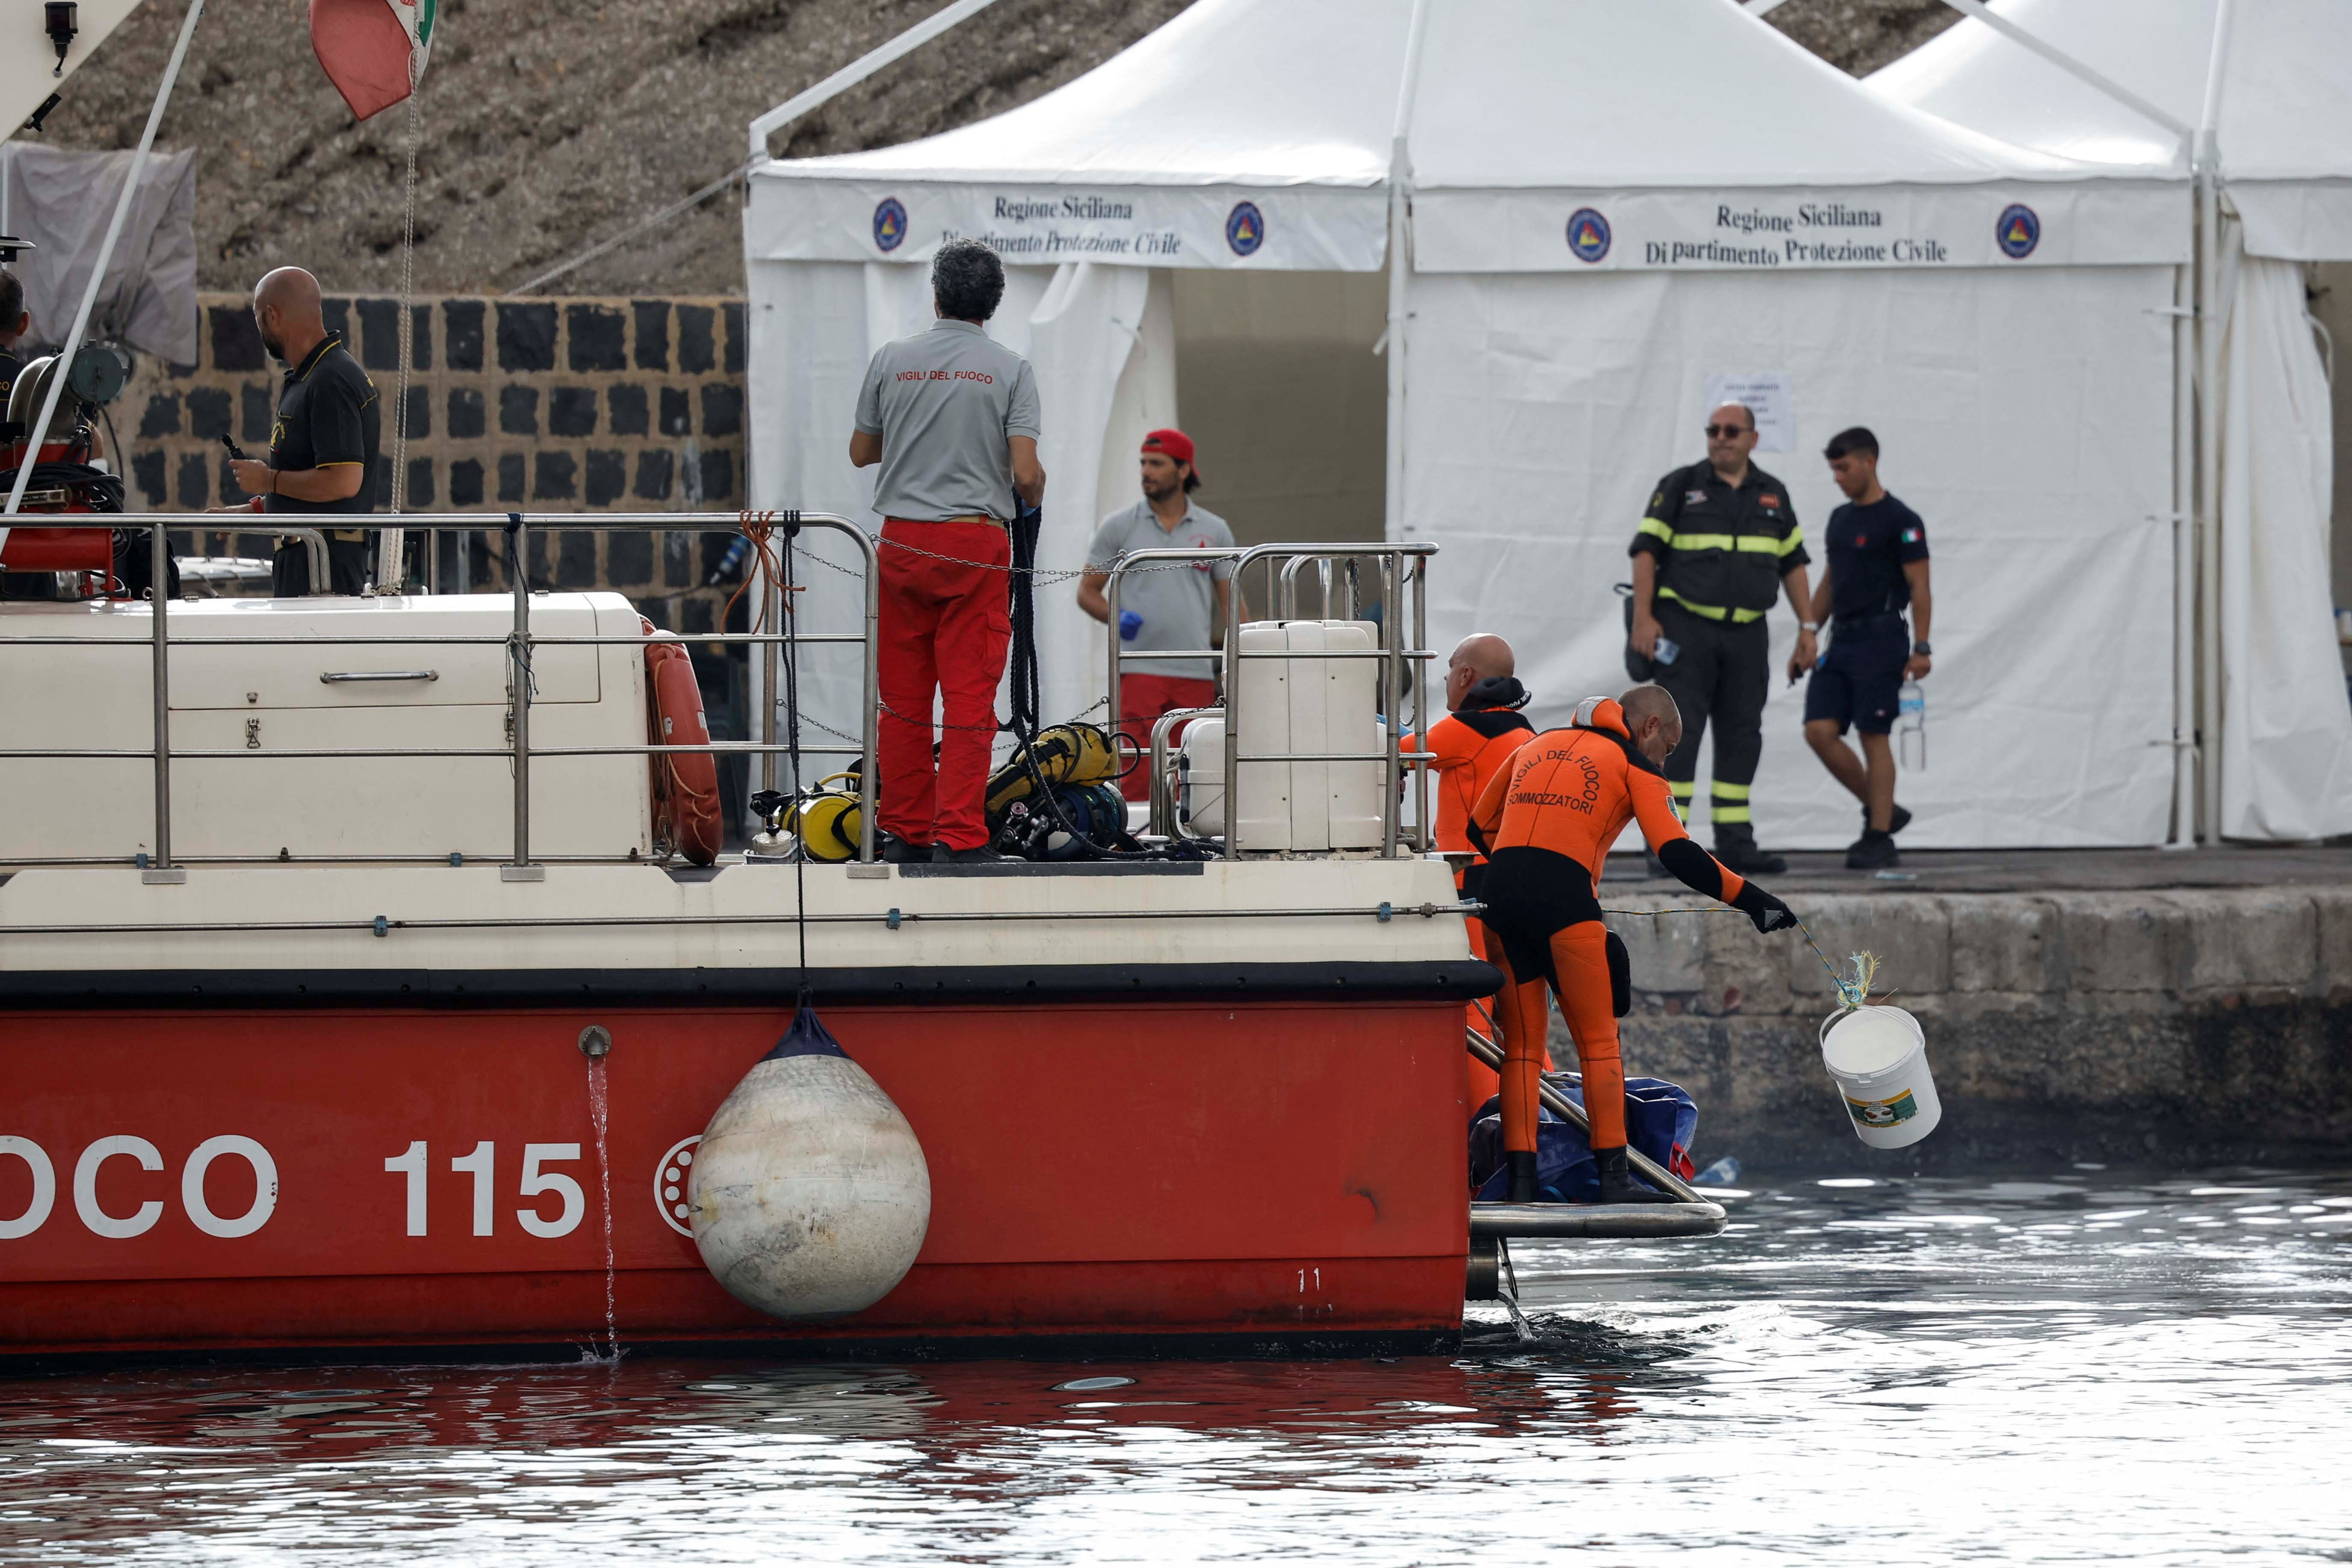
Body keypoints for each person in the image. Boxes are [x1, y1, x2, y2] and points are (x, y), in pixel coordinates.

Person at [1468, 685, 1797, 1205]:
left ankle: (1523, 1179)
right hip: (1564, 904)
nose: (1665, 759)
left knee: (1522, 1048)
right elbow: (1677, 852)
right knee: (1598, 1042)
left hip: (1499, 899)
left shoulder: (1534, 744)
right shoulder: (1634, 766)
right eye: (1667, 748)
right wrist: (1754, 900)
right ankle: (1615, 1177)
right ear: (1649, 728)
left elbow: (1479, 824)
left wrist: (1526, 869)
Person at [850, 238, 1044, 864]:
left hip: (901, 540)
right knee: (968, 697)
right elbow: (1025, 474)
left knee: (903, 698)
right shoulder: (1011, 369)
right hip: (974, 544)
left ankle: (903, 827)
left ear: (935, 294)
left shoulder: (892, 358)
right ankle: (959, 834)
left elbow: (861, 450)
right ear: (994, 303)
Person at [1626, 402, 1816, 875]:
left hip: (1748, 635)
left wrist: (1808, 627)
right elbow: (1645, 551)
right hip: (1686, 630)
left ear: (1753, 438)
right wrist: (1643, 618)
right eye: (1713, 430)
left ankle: (1735, 842)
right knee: (1677, 737)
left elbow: (1793, 563)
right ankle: (1669, 842)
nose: (1720, 438)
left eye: (1732, 431)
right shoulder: (1680, 485)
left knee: (1741, 735)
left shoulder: (1773, 493)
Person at [1401, 633, 1547, 1106]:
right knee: (1521, 1014)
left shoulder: (1466, 728)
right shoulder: (1523, 732)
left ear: (1466, 676)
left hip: (1471, 886)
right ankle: (1547, 1108)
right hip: (1520, 883)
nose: (1445, 677)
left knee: (1476, 1009)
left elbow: (1400, 751)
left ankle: (1489, 1115)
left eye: (1449, 668)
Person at [1077, 428, 1238, 800]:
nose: (1146, 471)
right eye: (1143, 463)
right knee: (1135, 764)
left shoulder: (1214, 530)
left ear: (1184, 470)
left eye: (1156, 463)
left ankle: (1190, 844)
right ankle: (1132, 843)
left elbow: (1233, 602)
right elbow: (1087, 593)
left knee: (1194, 768)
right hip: (1138, 668)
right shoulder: (1120, 526)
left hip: (1195, 668)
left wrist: (1239, 655)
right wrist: (1116, 618)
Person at [1799, 427, 1932, 871]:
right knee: (1819, 730)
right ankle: (1884, 809)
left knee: (1872, 734)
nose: (1837, 477)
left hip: (1882, 637)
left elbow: (1920, 585)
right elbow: (1831, 582)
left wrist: (1921, 646)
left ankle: (1878, 835)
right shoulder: (1840, 519)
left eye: (1843, 468)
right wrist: (1808, 631)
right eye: (1833, 469)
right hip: (1842, 639)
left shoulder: (1901, 520)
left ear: (1869, 462)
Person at [209, 267, 378, 596]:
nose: (260, 330)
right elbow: (307, 474)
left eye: (259, 320)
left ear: (272, 316)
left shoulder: (332, 380)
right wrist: (251, 510)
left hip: (323, 565)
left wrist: (268, 479)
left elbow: (343, 481)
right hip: (308, 559)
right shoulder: (311, 377)